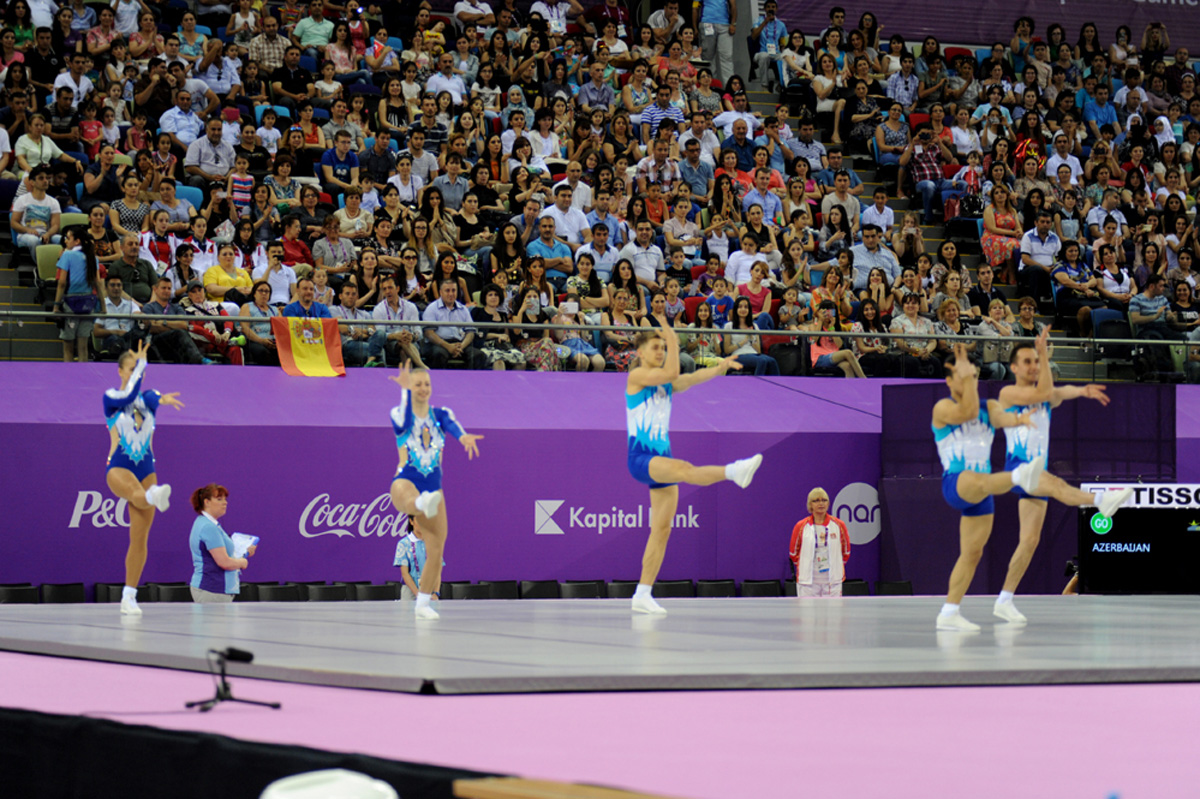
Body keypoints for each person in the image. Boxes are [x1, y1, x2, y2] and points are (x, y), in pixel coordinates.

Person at [992, 339, 1134, 624]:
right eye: (1028, 361)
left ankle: (1004, 600)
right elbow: (1048, 391)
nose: (1033, 366)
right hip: (1020, 466)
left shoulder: (1045, 398)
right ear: (1015, 367)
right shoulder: (1007, 393)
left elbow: (1058, 392)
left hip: (1034, 471)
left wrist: (1082, 390)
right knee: (1056, 485)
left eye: (1036, 361)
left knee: (1029, 541)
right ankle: (1101, 501)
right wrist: (1044, 355)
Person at [625, 324, 761, 614]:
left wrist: (719, 367)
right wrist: (674, 341)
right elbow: (673, 372)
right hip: (641, 458)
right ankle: (733, 472)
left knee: (661, 529)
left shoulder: (666, 385)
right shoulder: (636, 376)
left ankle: (642, 593)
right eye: (656, 347)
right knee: (686, 469)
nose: (661, 351)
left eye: (664, 347)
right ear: (640, 352)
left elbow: (690, 377)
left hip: (660, 459)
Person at [932, 339, 1046, 632]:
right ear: (949, 381)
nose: (970, 378)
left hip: (982, 494)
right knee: (981, 480)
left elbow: (1000, 416)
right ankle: (1022, 477)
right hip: (957, 482)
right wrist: (968, 377)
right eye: (963, 375)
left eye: (973, 375)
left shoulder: (989, 405)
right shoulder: (943, 407)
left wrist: (1019, 418)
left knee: (972, 553)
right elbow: (967, 412)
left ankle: (949, 611)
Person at [386, 363, 484, 619]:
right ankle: (420, 504)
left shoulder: (440, 414)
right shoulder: (399, 413)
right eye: (418, 384)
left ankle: (422, 604)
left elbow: (452, 425)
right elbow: (406, 421)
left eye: (426, 384)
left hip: (433, 487)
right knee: (409, 499)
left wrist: (463, 438)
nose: (423, 388)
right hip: (406, 479)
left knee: (436, 548)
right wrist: (406, 391)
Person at [103, 341, 184, 616]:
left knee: (139, 538)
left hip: (147, 468)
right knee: (139, 495)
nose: (136, 374)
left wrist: (163, 399)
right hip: (119, 467)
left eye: (138, 371)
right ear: (120, 371)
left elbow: (152, 398)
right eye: (131, 369)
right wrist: (142, 365)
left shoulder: (148, 396)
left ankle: (129, 596)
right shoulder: (111, 397)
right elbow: (128, 397)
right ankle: (152, 496)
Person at [188, 484, 256, 603]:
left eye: (225, 499)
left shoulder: (208, 524)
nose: (225, 503)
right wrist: (243, 562)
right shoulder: (208, 527)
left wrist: (243, 553)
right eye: (219, 499)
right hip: (212, 591)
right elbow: (224, 562)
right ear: (207, 502)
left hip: (214, 590)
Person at [789, 487, 851, 597]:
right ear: (810, 504)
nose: (820, 503)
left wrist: (835, 564)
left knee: (834, 614)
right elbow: (794, 553)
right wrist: (806, 565)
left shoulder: (838, 525)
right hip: (808, 582)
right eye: (816, 500)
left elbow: (846, 551)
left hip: (832, 581)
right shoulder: (801, 526)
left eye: (824, 500)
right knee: (807, 614)